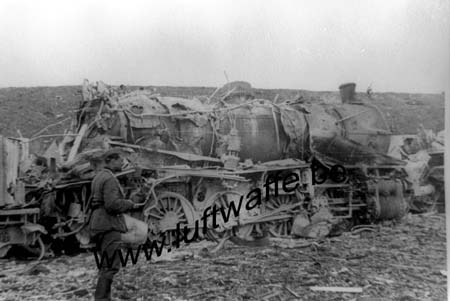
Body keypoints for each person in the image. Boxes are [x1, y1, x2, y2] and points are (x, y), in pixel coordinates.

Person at [89, 149, 146, 301]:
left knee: (105, 265)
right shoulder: (110, 179)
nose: (122, 163)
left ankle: (103, 297)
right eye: (120, 160)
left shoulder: (98, 177)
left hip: (98, 224)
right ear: (112, 160)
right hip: (109, 225)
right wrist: (130, 204)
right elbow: (112, 205)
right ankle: (102, 299)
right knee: (111, 266)